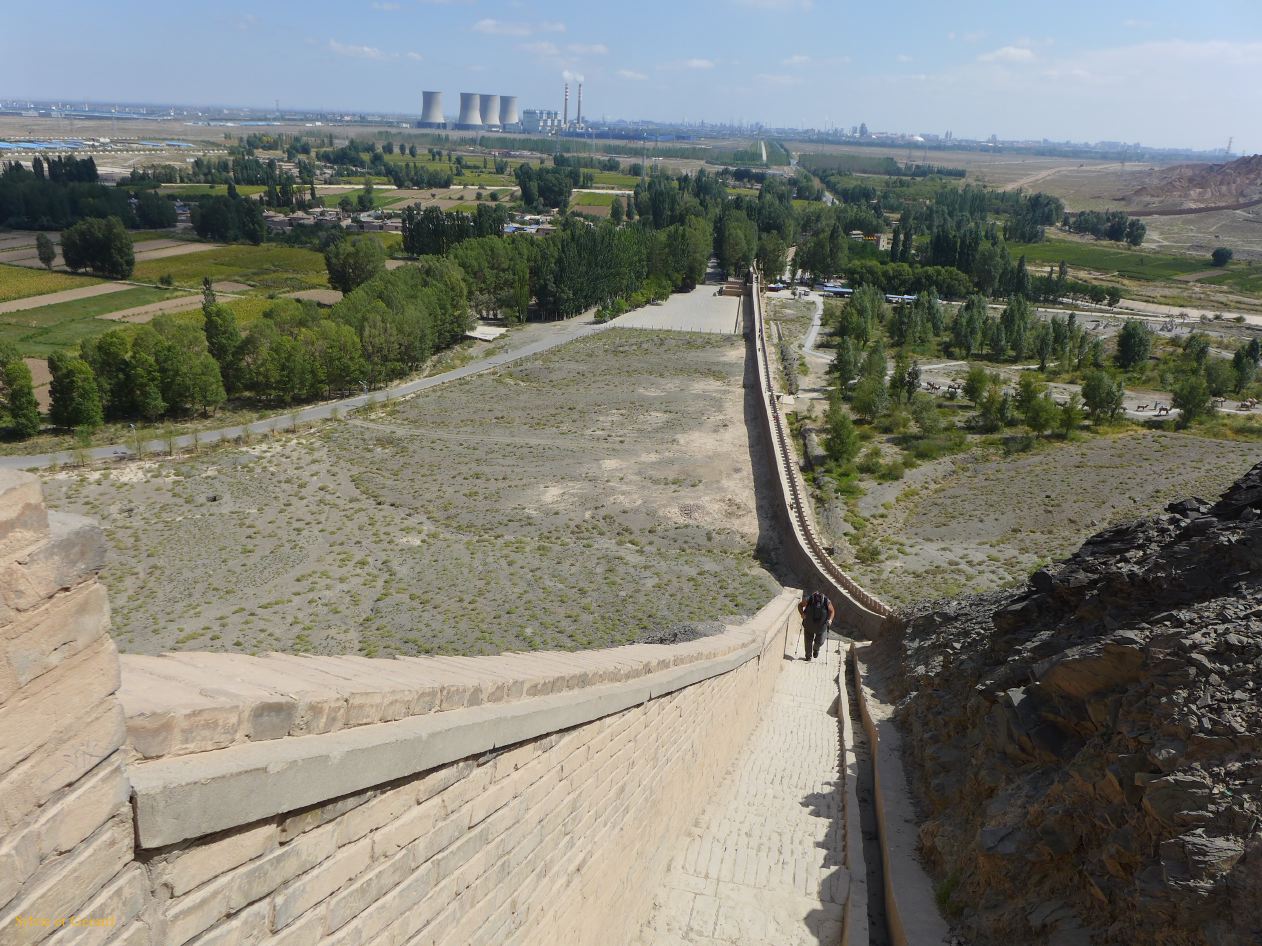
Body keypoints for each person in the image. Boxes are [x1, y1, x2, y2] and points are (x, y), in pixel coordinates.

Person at [797, 589, 835, 661]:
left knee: (820, 641)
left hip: (821, 627)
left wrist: (830, 620)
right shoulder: (809, 599)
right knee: (808, 641)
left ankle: (816, 649)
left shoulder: (827, 601)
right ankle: (808, 657)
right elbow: (800, 605)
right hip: (809, 625)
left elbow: (832, 611)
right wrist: (802, 614)